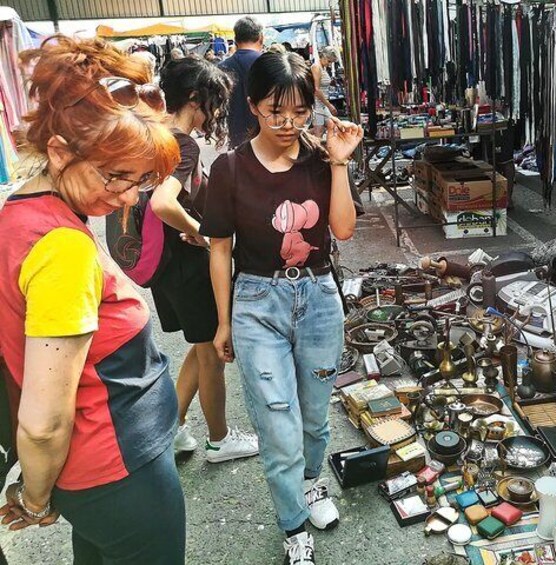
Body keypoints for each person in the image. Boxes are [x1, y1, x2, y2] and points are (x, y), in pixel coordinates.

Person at [0, 35, 185, 563]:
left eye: (142, 181)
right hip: (116, 471)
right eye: (115, 177)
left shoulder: (24, 211)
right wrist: (34, 500)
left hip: (103, 472)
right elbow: (42, 421)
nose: (128, 197)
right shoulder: (61, 248)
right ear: (58, 152)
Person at [201, 51, 362, 565]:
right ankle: (293, 525)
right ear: (252, 107)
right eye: (276, 111)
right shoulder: (229, 168)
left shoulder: (319, 158)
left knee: (315, 418)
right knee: (277, 423)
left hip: (316, 298)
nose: (288, 123)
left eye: (299, 111)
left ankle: (311, 485)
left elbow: (342, 230)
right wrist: (224, 320)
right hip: (257, 304)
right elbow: (220, 248)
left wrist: (339, 163)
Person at [153, 57, 259, 462]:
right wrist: (203, 233)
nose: (214, 113)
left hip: (162, 264)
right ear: (195, 97)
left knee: (200, 348)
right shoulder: (182, 142)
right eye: (213, 102)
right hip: (186, 260)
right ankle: (220, 439)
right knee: (213, 353)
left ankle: (173, 428)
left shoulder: (152, 132)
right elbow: (164, 202)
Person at [219, 16, 264, 148]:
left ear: (235, 40)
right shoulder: (270, 64)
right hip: (268, 135)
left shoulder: (222, 67)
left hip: (236, 136)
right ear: (261, 37)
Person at [310, 47, 339, 137]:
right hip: (317, 106)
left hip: (322, 105)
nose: (330, 64)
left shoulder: (322, 68)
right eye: (329, 61)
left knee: (331, 126)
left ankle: (301, 136)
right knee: (319, 131)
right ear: (324, 57)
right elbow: (316, 89)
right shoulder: (316, 67)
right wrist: (329, 105)